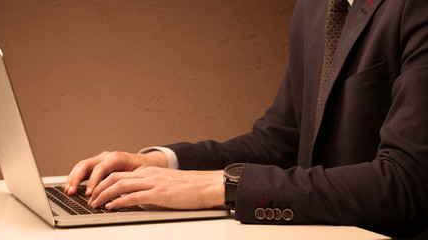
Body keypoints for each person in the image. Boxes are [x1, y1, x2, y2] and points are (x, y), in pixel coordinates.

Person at [63, 0, 428, 238]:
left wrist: (221, 187)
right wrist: (158, 162)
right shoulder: (315, 7)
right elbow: (280, 140)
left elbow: (403, 183)